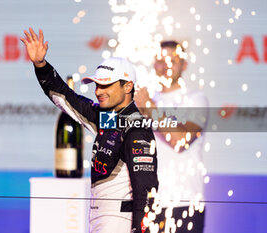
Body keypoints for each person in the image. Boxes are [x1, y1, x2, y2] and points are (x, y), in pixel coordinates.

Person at [20, 28, 158, 233]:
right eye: (96, 85)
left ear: (128, 86)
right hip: (100, 218)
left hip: (120, 222)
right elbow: (65, 97)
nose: (98, 91)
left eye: (106, 85)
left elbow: (146, 193)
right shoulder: (107, 118)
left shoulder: (136, 129)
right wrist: (41, 65)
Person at [134, 40, 208, 233]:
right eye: (160, 60)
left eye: (172, 60)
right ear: (154, 64)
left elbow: (180, 140)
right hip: (149, 204)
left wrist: (150, 109)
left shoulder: (195, 99)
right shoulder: (145, 102)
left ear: (184, 65)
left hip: (184, 203)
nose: (165, 65)